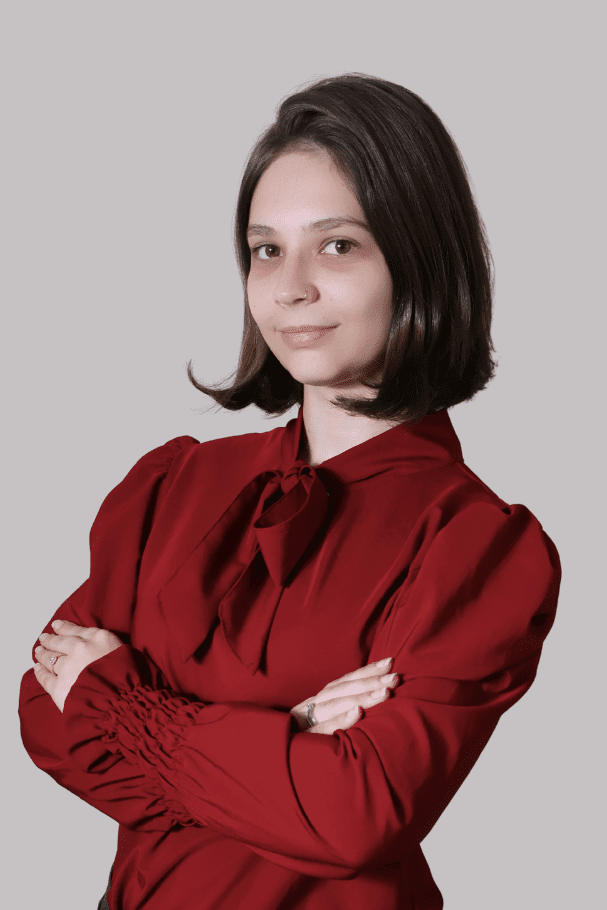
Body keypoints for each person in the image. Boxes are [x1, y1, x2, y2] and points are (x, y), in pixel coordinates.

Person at [19, 73, 560, 910]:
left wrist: (129, 709)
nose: (289, 285)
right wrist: (289, 740)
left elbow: (355, 815)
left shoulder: (478, 543)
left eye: (337, 245)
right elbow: (46, 720)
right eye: (266, 249)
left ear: (418, 260)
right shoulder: (174, 482)